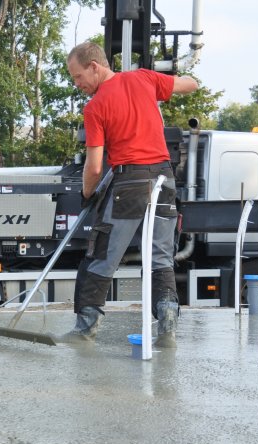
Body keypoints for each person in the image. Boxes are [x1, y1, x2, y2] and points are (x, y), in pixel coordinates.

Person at [56, 42, 198, 347]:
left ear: (94, 67)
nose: (77, 84)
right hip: (164, 180)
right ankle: (168, 331)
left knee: (102, 257)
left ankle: (84, 330)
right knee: (161, 257)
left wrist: (86, 194)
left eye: (78, 76)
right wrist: (167, 87)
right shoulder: (144, 78)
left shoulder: (95, 107)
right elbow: (191, 84)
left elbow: (94, 167)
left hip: (129, 185)